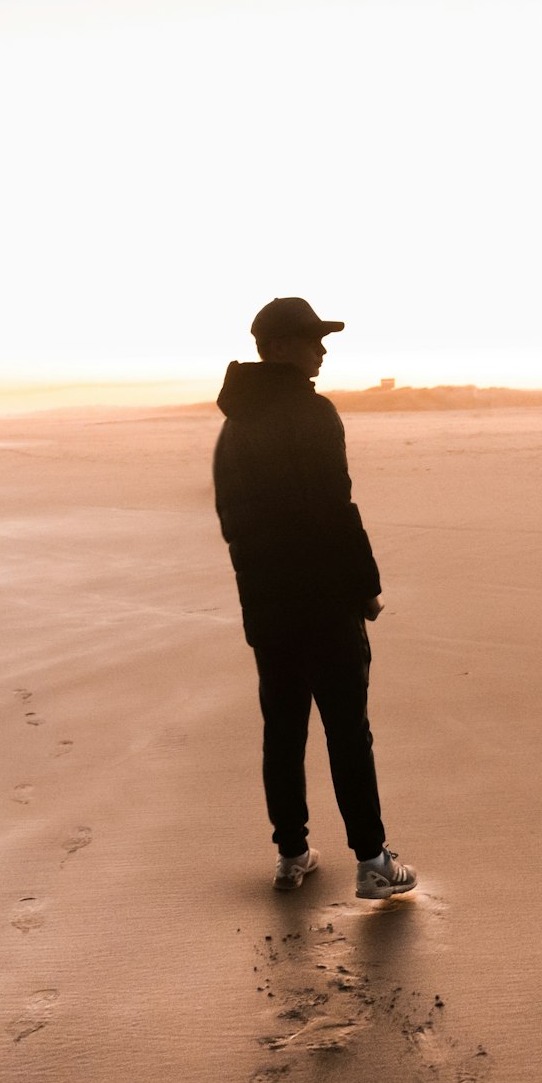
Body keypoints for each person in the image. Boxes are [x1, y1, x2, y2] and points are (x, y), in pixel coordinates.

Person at [213, 296, 417, 900]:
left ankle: (291, 854)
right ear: (278, 348)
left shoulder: (234, 425)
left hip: (268, 604)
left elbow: (233, 521)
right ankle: (374, 861)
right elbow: (335, 509)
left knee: (283, 730)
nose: (322, 348)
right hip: (325, 602)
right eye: (311, 339)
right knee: (347, 731)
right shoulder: (313, 413)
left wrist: (259, 587)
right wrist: (366, 588)